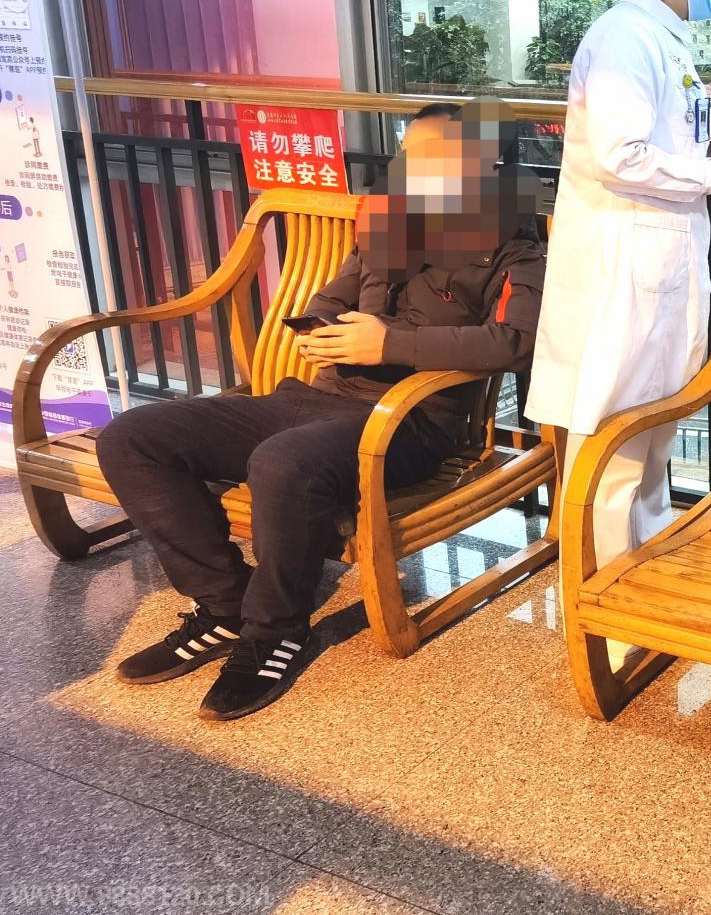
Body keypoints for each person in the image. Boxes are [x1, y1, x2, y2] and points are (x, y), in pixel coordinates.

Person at [96, 102, 547, 720]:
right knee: (133, 437)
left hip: (406, 423)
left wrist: (389, 344)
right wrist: (321, 326)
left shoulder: (515, 246)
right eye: (409, 155)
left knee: (283, 462)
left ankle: (275, 630)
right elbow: (332, 296)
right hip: (310, 399)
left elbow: (518, 344)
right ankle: (225, 606)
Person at [526, 0, 711, 581]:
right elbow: (618, 155)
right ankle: (603, 590)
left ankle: (645, 565)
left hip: (657, 256)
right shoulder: (622, 40)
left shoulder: (659, 37)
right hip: (624, 265)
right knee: (618, 431)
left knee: (653, 427)